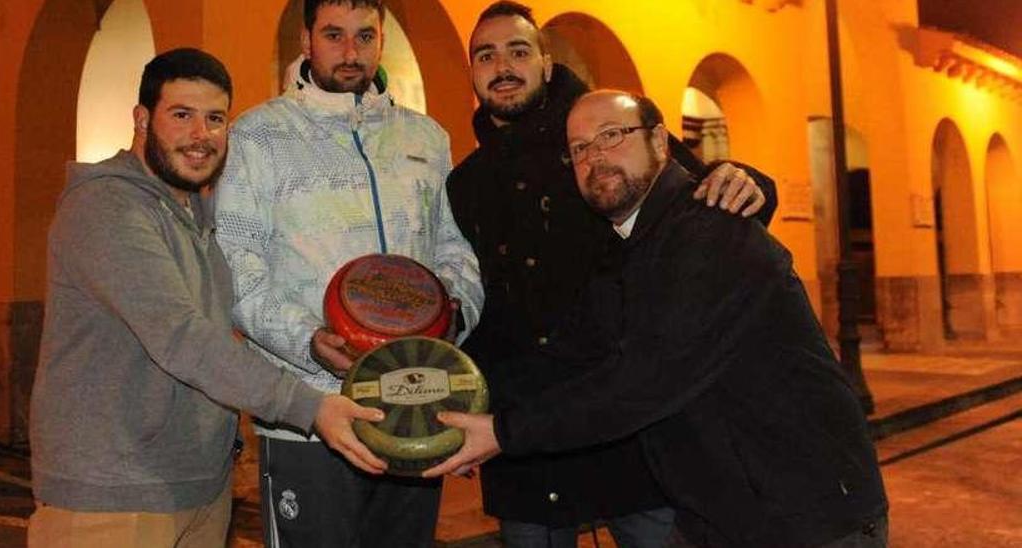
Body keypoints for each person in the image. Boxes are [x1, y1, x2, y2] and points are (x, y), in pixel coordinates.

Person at [430, 90, 889, 548]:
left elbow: (643, 379)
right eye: (579, 149)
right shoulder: (626, 251)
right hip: (719, 514)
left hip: (808, 516)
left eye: (612, 135)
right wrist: (460, 402)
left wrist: (502, 433)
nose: (596, 157)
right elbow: (566, 354)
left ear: (660, 141)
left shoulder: (708, 229)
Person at [445, 3, 777, 547]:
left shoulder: (606, 140)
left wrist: (751, 183)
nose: (503, 65)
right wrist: (470, 407)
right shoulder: (466, 183)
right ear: (473, 72)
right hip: (525, 443)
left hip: (633, 434)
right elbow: (471, 297)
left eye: (519, 51)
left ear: (547, 65)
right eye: (487, 55)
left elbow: (693, 192)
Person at [28, 48, 385, 548]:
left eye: (215, 119)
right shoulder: (105, 206)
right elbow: (181, 337)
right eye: (181, 115)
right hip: (110, 498)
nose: (201, 135)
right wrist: (309, 406)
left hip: (199, 489)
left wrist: (312, 341)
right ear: (141, 118)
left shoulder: (199, 210)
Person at [213, 1, 484, 546]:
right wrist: (309, 341)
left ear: (381, 40)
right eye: (334, 35)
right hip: (311, 414)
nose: (351, 51)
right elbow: (237, 267)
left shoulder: (425, 139)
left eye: (366, 35)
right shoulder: (259, 136)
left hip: (413, 410)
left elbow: (456, 250)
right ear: (307, 40)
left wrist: (451, 316)